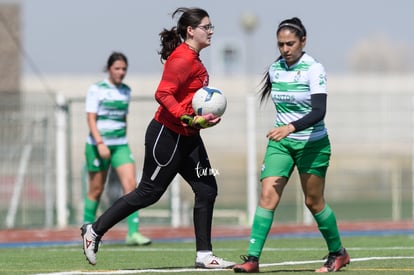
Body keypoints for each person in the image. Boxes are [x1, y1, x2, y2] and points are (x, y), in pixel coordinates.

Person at [81, 7, 236, 269]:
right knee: (148, 193)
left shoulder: (194, 58)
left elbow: (188, 100)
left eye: (211, 27)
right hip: (168, 135)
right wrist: (188, 119)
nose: (210, 32)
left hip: (189, 137)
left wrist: (199, 121)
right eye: (206, 27)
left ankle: (204, 256)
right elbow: (163, 94)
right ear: (190, 30)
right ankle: (94, 231)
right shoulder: (182, 59)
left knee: (207, 189)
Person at [233, 17, 350, 273]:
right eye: (280, 44)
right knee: (267, 197)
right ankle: (252, 259)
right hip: (282, 145)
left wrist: (290, 127)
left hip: (313, 145)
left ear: (303, 41)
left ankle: (338, 253)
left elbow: (319, 111)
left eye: (290, 43)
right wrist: (284, 131)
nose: (285, 49)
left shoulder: (314, 69)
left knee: (313, 201)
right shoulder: (275, 69)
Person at [83, 52, 151, 246]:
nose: (121, 72)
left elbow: (122, 119)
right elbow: (91, 119)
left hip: (120, 145)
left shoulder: (126, 91)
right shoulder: (97, 89)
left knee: (132, 186)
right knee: (96, 190)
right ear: (109, 69)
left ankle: (133, 233)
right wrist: (100, 143)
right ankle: (87, 230)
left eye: (124, 69)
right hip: (98, 146)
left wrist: (121, 140)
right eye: (117, 68)